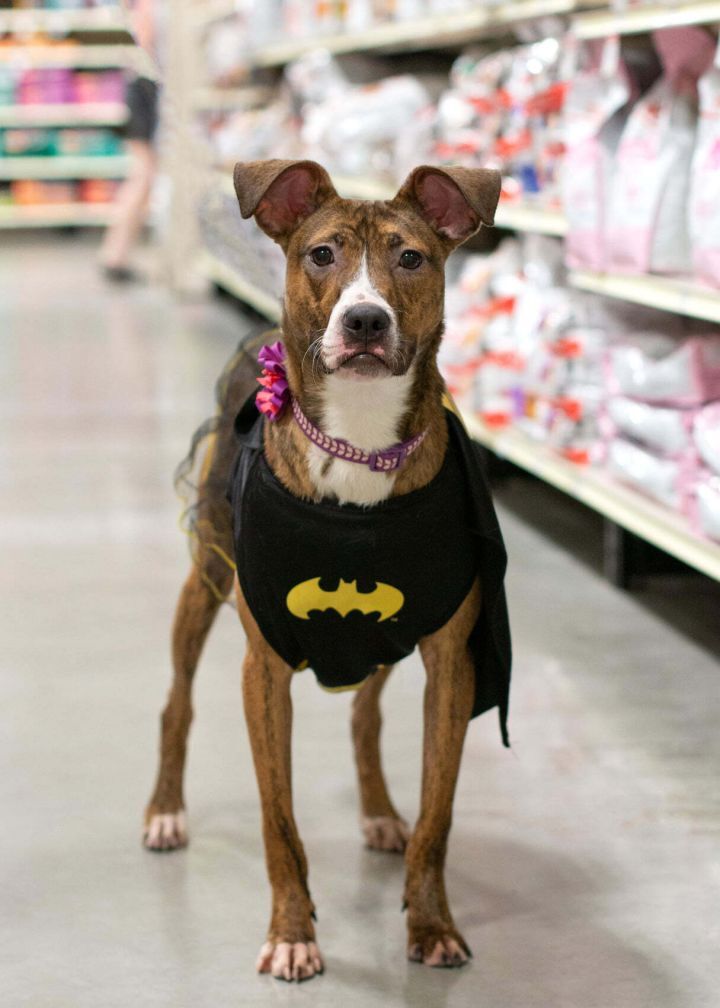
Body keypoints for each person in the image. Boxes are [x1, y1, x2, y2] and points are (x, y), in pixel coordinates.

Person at [99, 0, 161, 282]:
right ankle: (114, 255)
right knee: (143, 175)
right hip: (146, 88)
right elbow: (146, 45)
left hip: (139, 88)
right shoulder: (149, 6)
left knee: (143, 176)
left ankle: (117, 253)